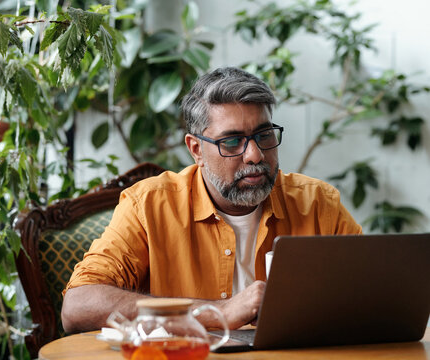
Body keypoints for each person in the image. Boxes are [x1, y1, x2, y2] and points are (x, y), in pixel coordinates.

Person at [61, 67, 362, 334]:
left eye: (265, 135)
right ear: (196, 149)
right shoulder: (149, 206)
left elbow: (371, 293)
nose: (255, 155)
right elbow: (78, 305)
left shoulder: (318, 203)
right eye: (231, 141)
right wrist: (214, 314)